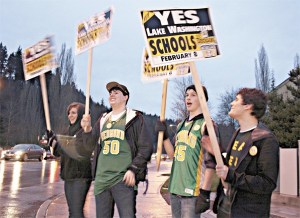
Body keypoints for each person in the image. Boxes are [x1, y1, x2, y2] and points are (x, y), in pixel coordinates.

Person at [81, 81, 153, 218]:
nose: (112, 94)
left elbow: (146, 147)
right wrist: (87, 129)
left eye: (116, 92)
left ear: (126, 97)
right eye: (110, 93)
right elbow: (88, 146)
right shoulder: (103, 119)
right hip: (102, 180)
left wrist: (133, 169)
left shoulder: (135, 118)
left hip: (123, 179)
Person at [156, 84, 222, 217]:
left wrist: (205, 192)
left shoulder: (207, 124)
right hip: (175, 189)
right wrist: (165, 136)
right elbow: (173, 156)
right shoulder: (181, 125)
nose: (188, 98)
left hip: (192, 191)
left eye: (193, 95)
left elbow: (212, 162)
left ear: (202, 99)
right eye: (186, 95)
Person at [213, 88, 279, 217]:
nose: (232, 103)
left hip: (248, 212)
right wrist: (214, 151)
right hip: (226, 209)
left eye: (236, 99)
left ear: (248, 106)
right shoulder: (237, 133)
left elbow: (267, 183)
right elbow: (233, 166)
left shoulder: (265, 139)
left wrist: (231, 175)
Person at [46, 102, 93, 218]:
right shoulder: (66, 131)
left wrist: (57, 144)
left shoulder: (85, 132)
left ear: (81, 114)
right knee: (72, 211)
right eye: (69, 113)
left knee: (76, 212)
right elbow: (57, 152)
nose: (70, 115)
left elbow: (76, 149)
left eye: (73, 113)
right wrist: (52, 140)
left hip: (81, 177)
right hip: (68, 175)